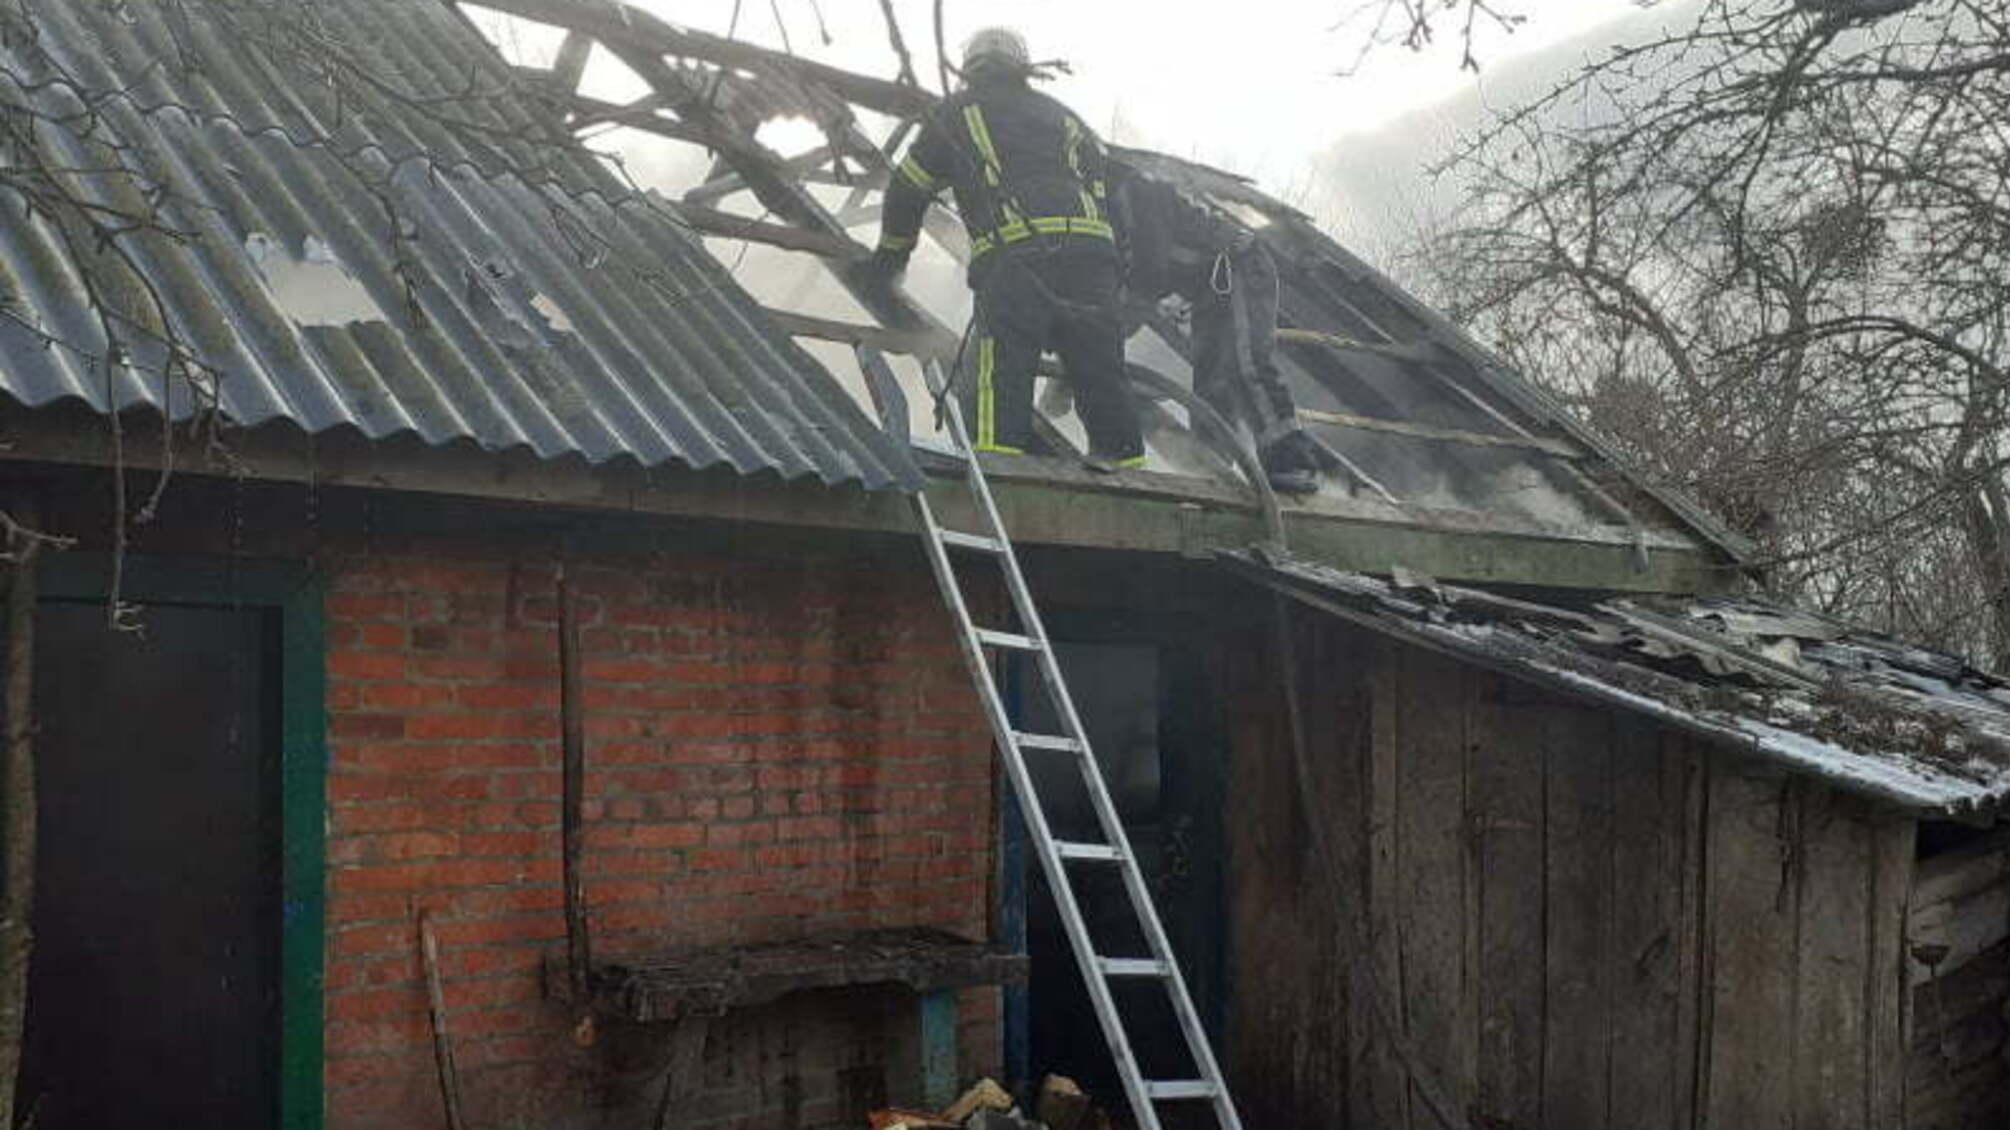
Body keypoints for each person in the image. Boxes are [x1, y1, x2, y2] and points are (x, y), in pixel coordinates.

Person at [867, 27, 1144, 470]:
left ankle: (999, 469)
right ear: (1022, 66)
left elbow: (908, 188)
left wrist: (890, 258)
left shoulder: (958, 112)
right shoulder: (1066, 116)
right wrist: (1114, 269)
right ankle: (1134, 481)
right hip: (1094, 260)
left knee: (1003, 368)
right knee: (1101, 370)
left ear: (970, 66)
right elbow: (1116, 195)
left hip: (1020, 255)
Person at [1108, 157, 1325, 493]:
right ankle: (1211, 465)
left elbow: (1147, 276)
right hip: (1210, 290)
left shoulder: (1139, 190)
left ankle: (1291, 460)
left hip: (1240, 268)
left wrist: (1105, 341)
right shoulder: (1119, 202)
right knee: (1212, 380)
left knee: (1246, 363)